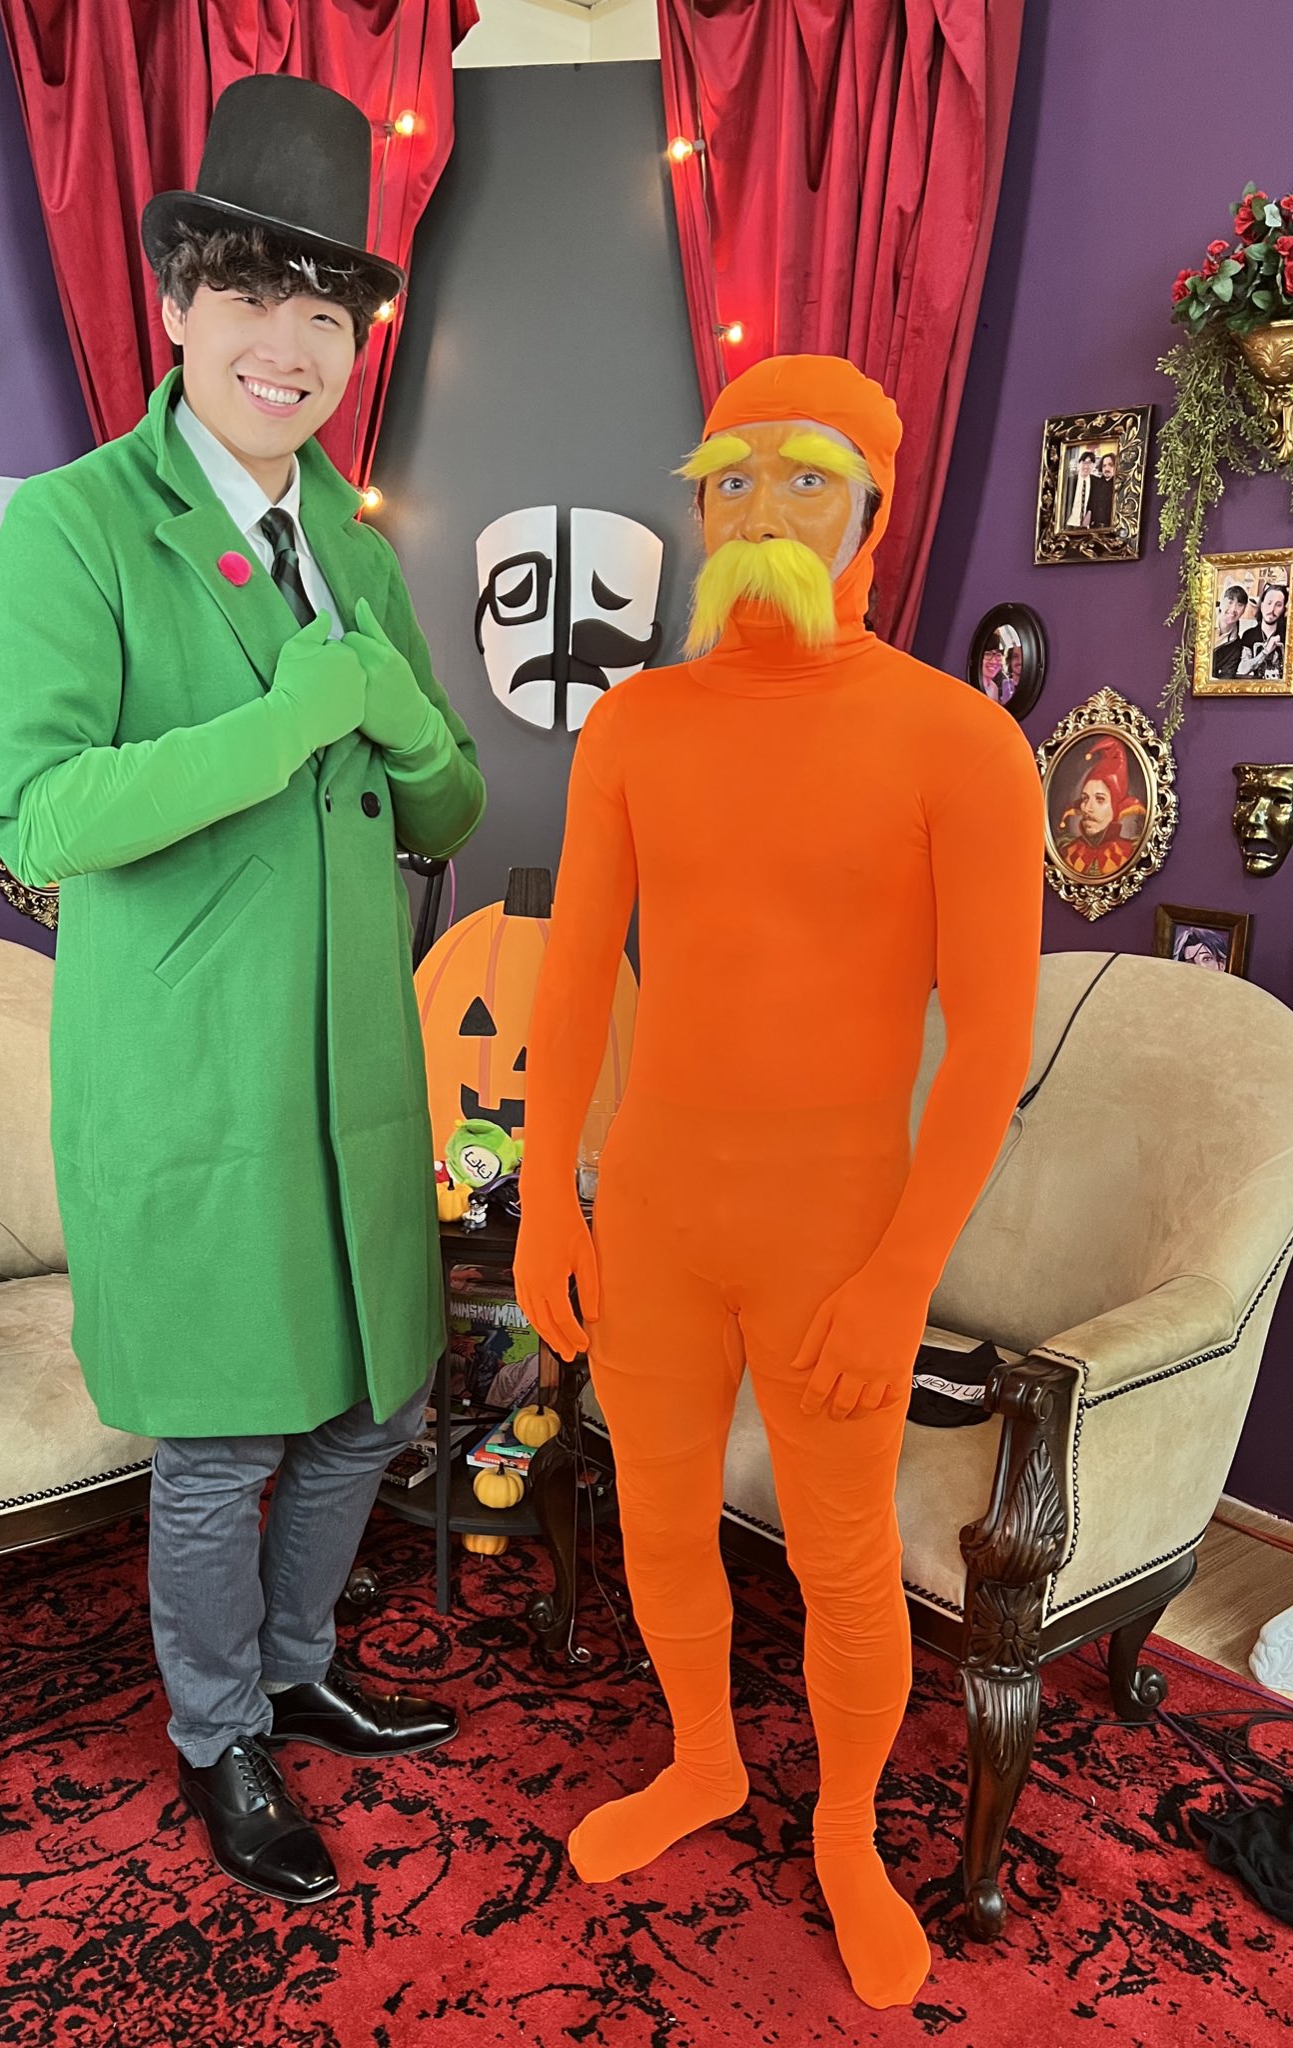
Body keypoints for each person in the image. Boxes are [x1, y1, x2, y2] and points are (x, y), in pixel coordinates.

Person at [0, 74, 485, 1906]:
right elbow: (37, 814)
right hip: (192, 1067)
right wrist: (285, 718)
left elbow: (448, 805)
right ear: (179, 302)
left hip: (356, 1066)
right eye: (252, 291)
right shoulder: (77, 529)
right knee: (223, 1429)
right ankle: (218, 1733)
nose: (291, 341)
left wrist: (399, 712)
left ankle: (292, 1663)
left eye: (327, 307)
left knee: (371, 1404)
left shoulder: (356, 547)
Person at [514, 355, 1044, 2011]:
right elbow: (574, 977)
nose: (758, 509)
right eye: (728, 479)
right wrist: (545, 1200)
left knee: (840, 1554)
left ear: (874, 508)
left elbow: (989, 1047)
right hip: (655, 1215)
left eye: (803, 476)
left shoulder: (959, 742)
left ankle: (851, 1831)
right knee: (658, 1511)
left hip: (835, 1236)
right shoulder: (635, 725)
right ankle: (701, 1758)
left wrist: (899, 1278)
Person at [1055, 736, 1144, 876]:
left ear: (1117, 807)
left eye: (1100, 799)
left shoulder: (1129, 853)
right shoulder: (1068, 853)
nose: (1087, 808)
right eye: (1085, 798)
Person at [1213, 584, 1251, 678]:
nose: (1233, 609)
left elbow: (1227, 677)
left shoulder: (1236, 646)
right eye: (1230, 602)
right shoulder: (1203, 620)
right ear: (1221, 602)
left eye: (1240, 605)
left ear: (1244, 610)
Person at [1064, 447, 1097, 528]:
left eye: (1089, 463)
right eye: (1084, 462)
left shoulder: (1097, 482)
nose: (1086, 466)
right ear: (1079, 464)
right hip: (1069, 523)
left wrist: (1090, 513)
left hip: (1087, 526)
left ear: (1093, 465)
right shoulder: (1069, 481)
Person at [1089, 451, 1118, 528]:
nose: (1107, 468)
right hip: (1094, 528)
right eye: (1104, 466)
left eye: (1110, 465)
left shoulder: (1118, 485)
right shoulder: (1096, 484)